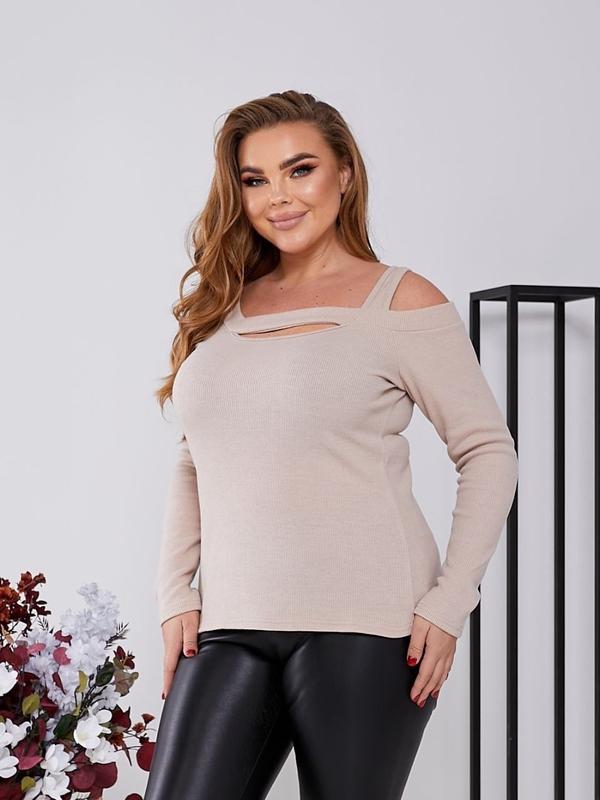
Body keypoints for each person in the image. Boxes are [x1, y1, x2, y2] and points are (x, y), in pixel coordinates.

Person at [144, 90, 519, 800]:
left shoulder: (400, 301)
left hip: (370, 624)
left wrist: (449, 604)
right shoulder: (223, 305)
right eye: (255, 179)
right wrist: (174, 594)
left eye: (300, 170)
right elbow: (195, 457)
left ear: (344, 173)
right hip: (229, 621)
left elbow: (487, 452)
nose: (278, 197)